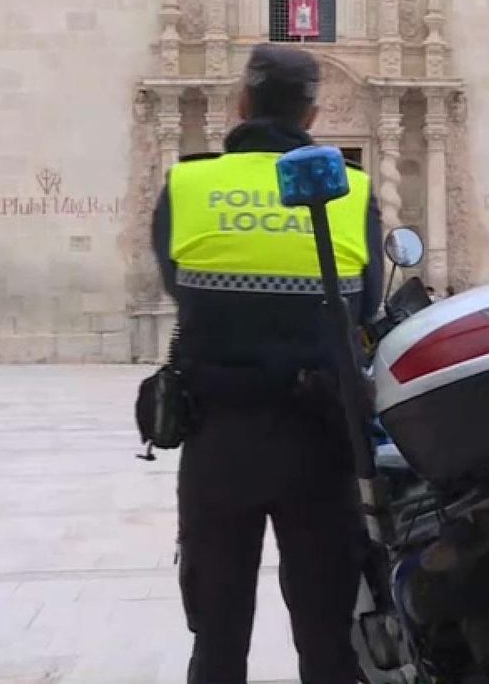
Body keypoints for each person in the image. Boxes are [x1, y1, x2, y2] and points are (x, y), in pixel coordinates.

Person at [150, 43, 382, 684]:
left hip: (218, 441)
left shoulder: (189, 184)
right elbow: (367, 306)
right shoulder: (352, 189)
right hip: (320, 442)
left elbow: (177, 283)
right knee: (328, 639)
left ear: (241, 104)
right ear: (311, 116)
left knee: (218, 639)